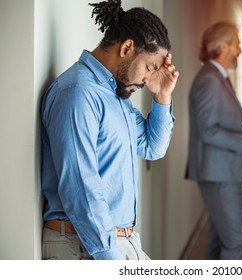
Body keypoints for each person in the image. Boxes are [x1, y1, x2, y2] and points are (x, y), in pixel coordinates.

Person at [40, 0, 179, 260]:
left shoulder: (115, 96)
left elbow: (152, 147)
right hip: (84, 247)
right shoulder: (78, 93)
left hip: (117, 243)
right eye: (150, 67)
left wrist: (162, 95)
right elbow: (81, 191)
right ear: (127, 48)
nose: (149, 78)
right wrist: (110, 260)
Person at [185, 22, 242, 260]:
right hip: (219, 174)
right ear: (223, 46)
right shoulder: (209, 80)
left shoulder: (217, 77)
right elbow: (209, 132)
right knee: (237, 242)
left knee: (220, 240)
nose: (240, 50)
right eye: (237, 44)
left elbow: (220, 125)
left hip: (223, 172)